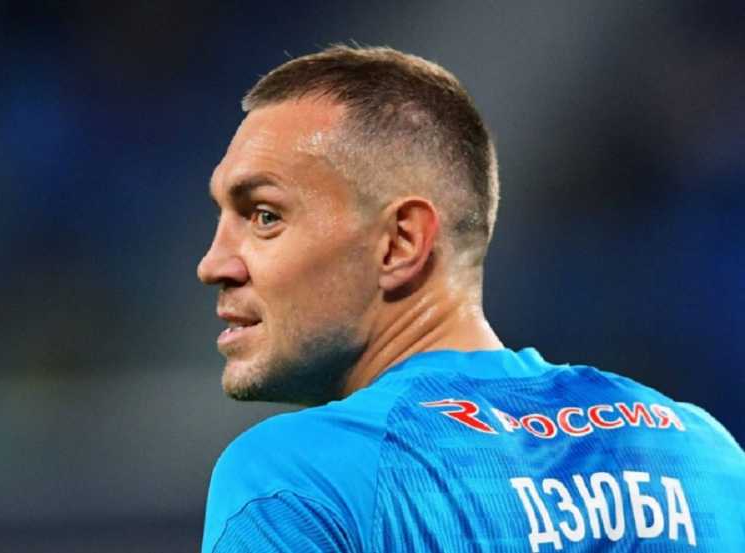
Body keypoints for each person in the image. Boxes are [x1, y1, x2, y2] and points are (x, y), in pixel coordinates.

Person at [197, 45, 745, 552]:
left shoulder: (295, 482)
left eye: (265, 216)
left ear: (400, 243)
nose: (212, 264)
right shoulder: (700, 453)